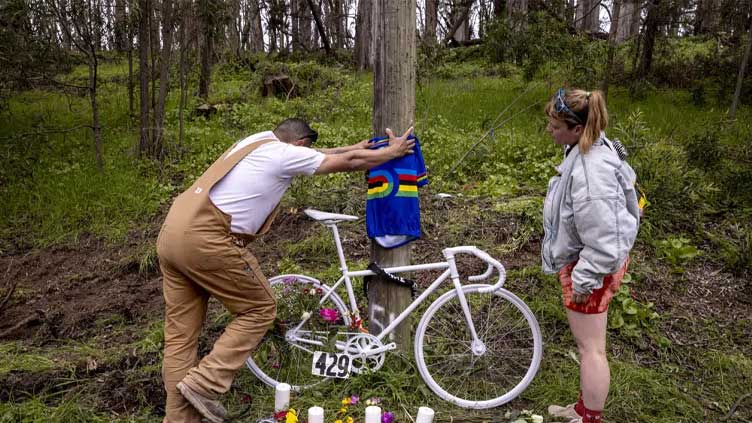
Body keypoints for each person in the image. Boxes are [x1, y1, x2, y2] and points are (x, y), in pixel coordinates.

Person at [155, 118, 415, 423]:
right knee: (259, 308)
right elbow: (347, 162)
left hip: (172, 233)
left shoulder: (257, 141)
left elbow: (333, 153)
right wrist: (391, 152)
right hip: (207, 238)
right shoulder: (283, 154)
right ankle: (205, 382)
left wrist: (354, 147)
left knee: (180, 340)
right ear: (301, 144)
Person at [541, 89, 640, 423]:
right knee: (590, 345)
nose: (550, 131)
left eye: (555, 126)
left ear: (576, 127)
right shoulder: (588, 147)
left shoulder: (590, 171)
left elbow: (604, 240)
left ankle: (590, 419)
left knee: (591, 349)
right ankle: (583, 409)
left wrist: (584, 278)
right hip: (586, 262)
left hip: (591, 267)